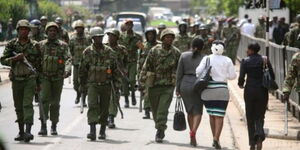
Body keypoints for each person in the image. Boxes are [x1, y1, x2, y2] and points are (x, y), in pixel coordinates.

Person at [0, 19, 42, 142]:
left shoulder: (35, 45)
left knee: (27, 104)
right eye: (21, 29)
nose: (23, 31)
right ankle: (21, 131)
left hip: (30, 79)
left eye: (26, 29)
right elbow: (2, 60)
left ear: (29, 31)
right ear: (17, 30)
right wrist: (15, 58)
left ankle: (28, 131)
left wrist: (38, 83)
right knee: (18, 106)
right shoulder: (12, 44)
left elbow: (39, 65)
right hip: (16, 79)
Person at [139, 29, 181, 143]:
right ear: (162, 39)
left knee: (163, 109)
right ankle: (159, 124)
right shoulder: (154, 50)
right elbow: (146, 66)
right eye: (167, 37)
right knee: (155, 110)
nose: (169, 39)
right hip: (154, 84)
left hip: (168, 85)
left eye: (171, 37)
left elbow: (180, 70)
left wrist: (179, 86)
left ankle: (160, 130)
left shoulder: (176, 52)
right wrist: (141, 82)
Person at [79, 27, 119, 141]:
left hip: (106, 84)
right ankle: (92, 130)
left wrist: (116, 86)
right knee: (92, 106)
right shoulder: (87, 52)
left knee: (104, 108)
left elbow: (115, 70)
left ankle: (102, 130)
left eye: (100, 37)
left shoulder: (109, 52)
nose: (99, 39)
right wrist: (82, 85)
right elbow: (82, 70)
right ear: (92, 38)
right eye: (96, 37)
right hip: (92, 84)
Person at [196, 40, 236, 149]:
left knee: (212, 115)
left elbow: (198, 71)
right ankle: (216, 138)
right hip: (222, 90)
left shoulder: (207, 58)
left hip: (208, 91)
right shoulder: (227, 60)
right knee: (220, 116)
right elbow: (232, 76)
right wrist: (224, 74)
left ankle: (214, 137)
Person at [238, 43, 275, 150]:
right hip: (262, 92)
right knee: (260, 116)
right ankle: (259, 139)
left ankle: (252, 143)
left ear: (251, 50)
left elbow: (241, 77)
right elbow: (272, 76)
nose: (246, 51)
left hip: (249, 91)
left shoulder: (245, 61)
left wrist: (241, 84)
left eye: (247, 49)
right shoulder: (264, 60)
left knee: (250, 117)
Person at [38, 22, 72, 136]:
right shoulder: (40, 45)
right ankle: (43, 125)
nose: (52, 32)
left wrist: (67, 70)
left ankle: (54, 125)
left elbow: (68, 59)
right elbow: (35, 60)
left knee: (55, 103)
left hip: (58, 78)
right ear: (46, 32)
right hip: (44, 77)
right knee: (44, 100)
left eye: (54, 31)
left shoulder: (63, 45)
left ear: (57, 33)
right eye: (50, 30)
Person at [176, 38, 205, 147]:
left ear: (191, 45)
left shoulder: (183, 56)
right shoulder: (204, 58)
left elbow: (179, 73)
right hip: (198, 85)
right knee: (198, 111)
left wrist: (177, 89)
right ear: (203, 47)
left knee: (190, 111)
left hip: (185, 85)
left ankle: (191, 134)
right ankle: (193, 131)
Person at [106, 29, 128, 128]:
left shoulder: (122, 49)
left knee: (114, 96)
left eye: (113, 36)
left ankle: (111, 117)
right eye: (109, 35)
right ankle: (103, 115)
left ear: (117, 38)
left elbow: (126, 62)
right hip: (103, 75)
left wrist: (123, 71)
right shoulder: (104, 47)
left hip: (116, 77)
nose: (110, 38)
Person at [137, 27, 160, 119]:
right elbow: (140, 61)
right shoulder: (143, 46)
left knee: (157, 92)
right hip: (147, 72)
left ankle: (155, 109)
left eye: (152, 34)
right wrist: (139, 75)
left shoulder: (159, 45)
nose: (150, 36)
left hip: (159, 72)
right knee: (147, 92)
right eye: (148, 34)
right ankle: (147, 110)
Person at [119, 19, 142, 108]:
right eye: (127, 24)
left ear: (132, 26)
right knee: (124, 81)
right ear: (125, 26)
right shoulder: (121, 37)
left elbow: (142, 48)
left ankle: (132, 93)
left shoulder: (137, 37)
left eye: (130, 24)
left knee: (132, 80)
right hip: (123, 62)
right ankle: (126, 99)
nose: (129, 26)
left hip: (132, 61)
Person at [69, 20, 91, 106]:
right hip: (76, 64)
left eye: (80, 28)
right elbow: (70, 51)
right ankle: (78, 94)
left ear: (83, 29)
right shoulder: (72, 39)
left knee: (84, 82)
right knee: (76, 83)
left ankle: (83, 99)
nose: (79, 30)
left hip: (86, 65)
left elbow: (91, 49)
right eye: (77, 28)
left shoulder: (88, 38)